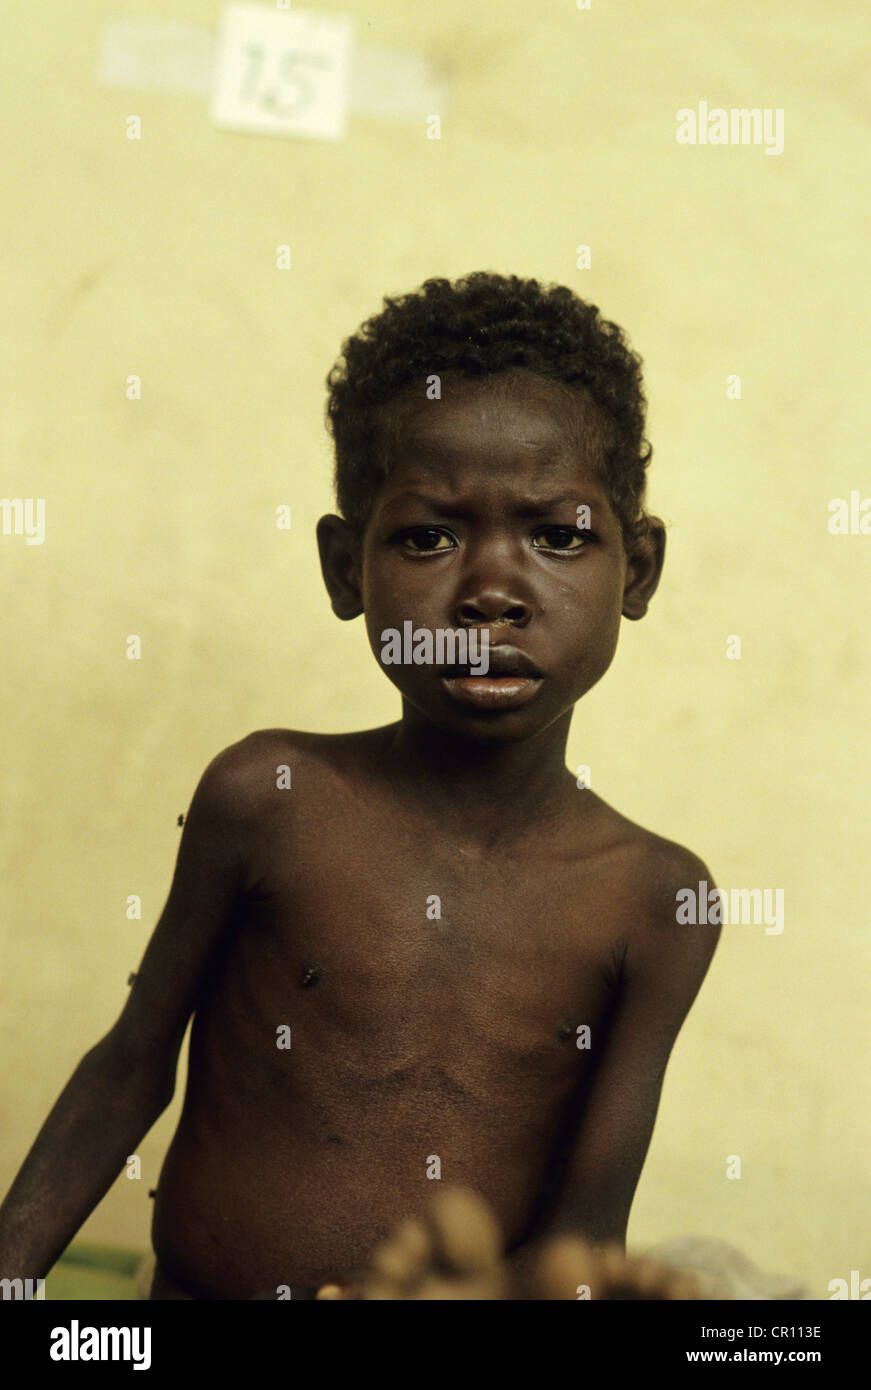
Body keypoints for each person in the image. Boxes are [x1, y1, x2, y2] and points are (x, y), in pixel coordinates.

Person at [0, 271, 720, 1300]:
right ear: (346, 568)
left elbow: (585, 1231)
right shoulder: (269, 796)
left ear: (637, 569)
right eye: (427, 535)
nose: (492, 591)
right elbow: (126, 1070)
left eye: (557, 534)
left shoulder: (655, 901)